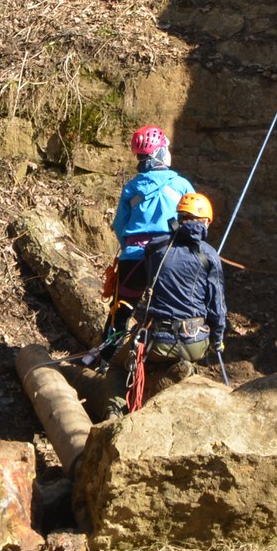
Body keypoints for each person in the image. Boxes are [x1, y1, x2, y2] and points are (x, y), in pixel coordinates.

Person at [114, 191, 229, 408]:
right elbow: (217, 307)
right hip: (195, 342)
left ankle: (115, 410)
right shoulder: (210, 255)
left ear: (179, 217)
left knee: (117, 365)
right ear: (205, 222)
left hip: (158, 341)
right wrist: (218, 339)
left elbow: (150, 284)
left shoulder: (156, 248)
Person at [111, 125, 193, 302]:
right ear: (160, 152)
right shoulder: (181, 185)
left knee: (119, 315)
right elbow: (194, 222)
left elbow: (119, 224)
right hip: (169, 258)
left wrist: (129, 247)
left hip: (133, 258)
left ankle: (116, 329)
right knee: (168, 312)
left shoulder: (132, 188)